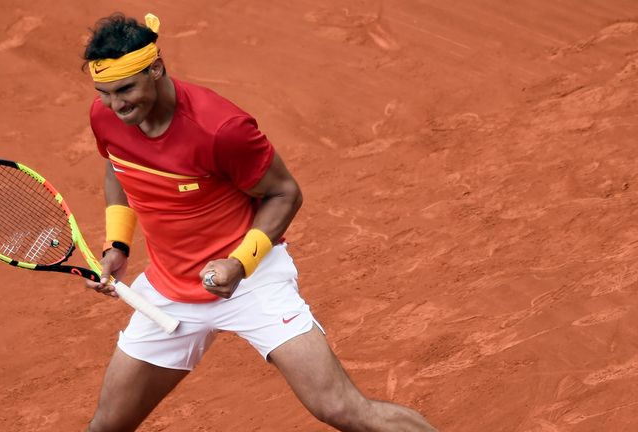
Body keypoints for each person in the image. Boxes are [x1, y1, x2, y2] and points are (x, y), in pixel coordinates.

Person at [81, 12, 437, 432]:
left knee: (342, 409)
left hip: (252, 280)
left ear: (156, 68)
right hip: (169, 290)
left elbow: (286, 193)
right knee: (106, 425)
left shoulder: (221, 129)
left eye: (125, 89)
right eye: (104, 93)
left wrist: (239, 262)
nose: (116, 105)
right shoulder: (106, 117)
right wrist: (117, 247)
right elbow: (118, 168)